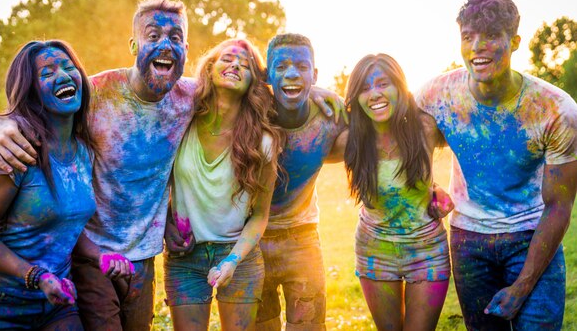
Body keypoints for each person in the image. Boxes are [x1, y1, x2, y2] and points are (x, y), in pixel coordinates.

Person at [0, 0, 195, 330]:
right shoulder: (95, 92)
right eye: (152, 36)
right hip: (91, 253)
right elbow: (37, 104)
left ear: (186, 47)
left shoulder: (190, 97)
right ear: (133, 44)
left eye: (176, 37)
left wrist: (310, 90)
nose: (165, 45)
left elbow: (243, 84)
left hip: (145, 257)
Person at [416, 0, 577, 330]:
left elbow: (559, 206)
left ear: (514, 41)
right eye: (468, 37)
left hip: (531, 235)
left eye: (491, 36)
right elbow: (408, 145)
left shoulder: (555, 110)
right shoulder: (436, 96)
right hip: (468, 239)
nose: (477, 47)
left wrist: (521, 287)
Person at [0, 40, 123, 329]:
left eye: (70, 68)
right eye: (47, 73)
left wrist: (100, 254)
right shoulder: (15, 154)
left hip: (54, 304)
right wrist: (36, 276)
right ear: (30, 91)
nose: (63, 75)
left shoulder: (83, 152)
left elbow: (65, 225)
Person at [163, 39, 282, 330]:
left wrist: (232, 260)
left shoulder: (263, 142)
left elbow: (259, 215)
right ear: (210, 68)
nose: (236, 65)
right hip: (184, 258)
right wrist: (166, 226)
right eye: (227, 59)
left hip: (238, 256)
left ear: (253, 80)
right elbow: (156, 188)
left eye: (246, 64)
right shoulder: (180, 123)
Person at [342, 53, 452, 331]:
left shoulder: (426, 128)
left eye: (382, 84)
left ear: (400, 87)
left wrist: (445, 192)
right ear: (356, 97)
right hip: (375, 250)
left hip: (427, 250)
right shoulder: (350, 140)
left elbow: (471, 138)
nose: (374, 94)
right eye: (365, 88)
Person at [255, 33, 346, 331]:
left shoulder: (330, 118)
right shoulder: (250, 114)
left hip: (302, 238)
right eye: (281, 67)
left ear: (314, 73)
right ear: (267, 75)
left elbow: (377, 129)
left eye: (301, 67)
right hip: (249, 240)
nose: (292, 73)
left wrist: (325, 93)